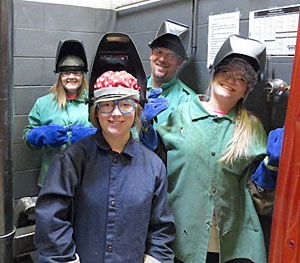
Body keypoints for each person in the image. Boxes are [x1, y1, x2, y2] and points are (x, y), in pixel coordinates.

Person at [142, 34, 283, 263]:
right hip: (181, 240)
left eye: (241, 78)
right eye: (226, 72)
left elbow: (259, 194)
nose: (231, 80)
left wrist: (271, 169)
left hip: (233, 244)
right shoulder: (182, 113)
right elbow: (156, 169)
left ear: (247, 89)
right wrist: (144, 135)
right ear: (215, 73)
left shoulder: (251, 128)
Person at [34, 70, 175, 263]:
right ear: (96, 111)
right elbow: (51, 222)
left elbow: (161, 229)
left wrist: (154, 258)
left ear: (136, 111)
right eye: (107, 105)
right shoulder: (71, 161)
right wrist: (64, 258)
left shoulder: (153, 166)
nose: (116, 113)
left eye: (125, 105)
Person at [23, 40, 96, 187]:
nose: (71, 77)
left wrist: (94, 136)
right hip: (52, 177)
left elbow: (112, 134)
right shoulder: (43, 104)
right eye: (66, 73)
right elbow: (27, 136)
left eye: (76, 72)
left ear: (82, 75)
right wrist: (37, 136)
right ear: (59, 76)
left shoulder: (95, 102)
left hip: (88, 176)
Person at [144, 19, 196, 130]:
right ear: (151, 54)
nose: (162, 59)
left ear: (179, 63)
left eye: (170, 56)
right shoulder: (135, 89)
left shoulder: (188, 101)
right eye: (159, 52)